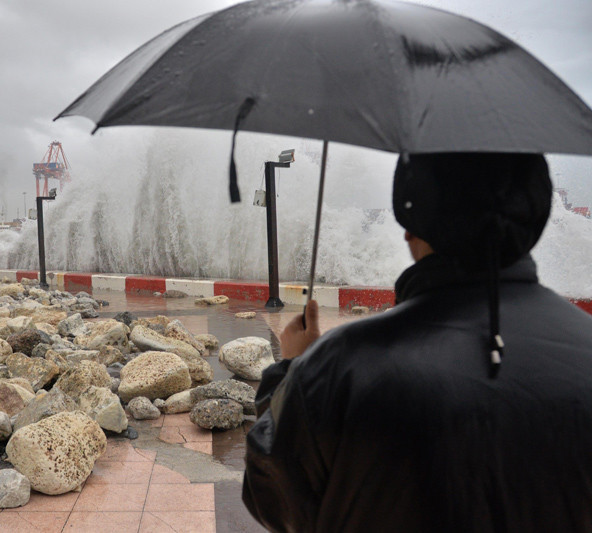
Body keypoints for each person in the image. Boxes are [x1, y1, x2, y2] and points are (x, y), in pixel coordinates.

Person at [242, 152, 592, 532]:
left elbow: (273, 497)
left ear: (410, 226)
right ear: (535, 220)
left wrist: (291, 369)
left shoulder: (342, 366)